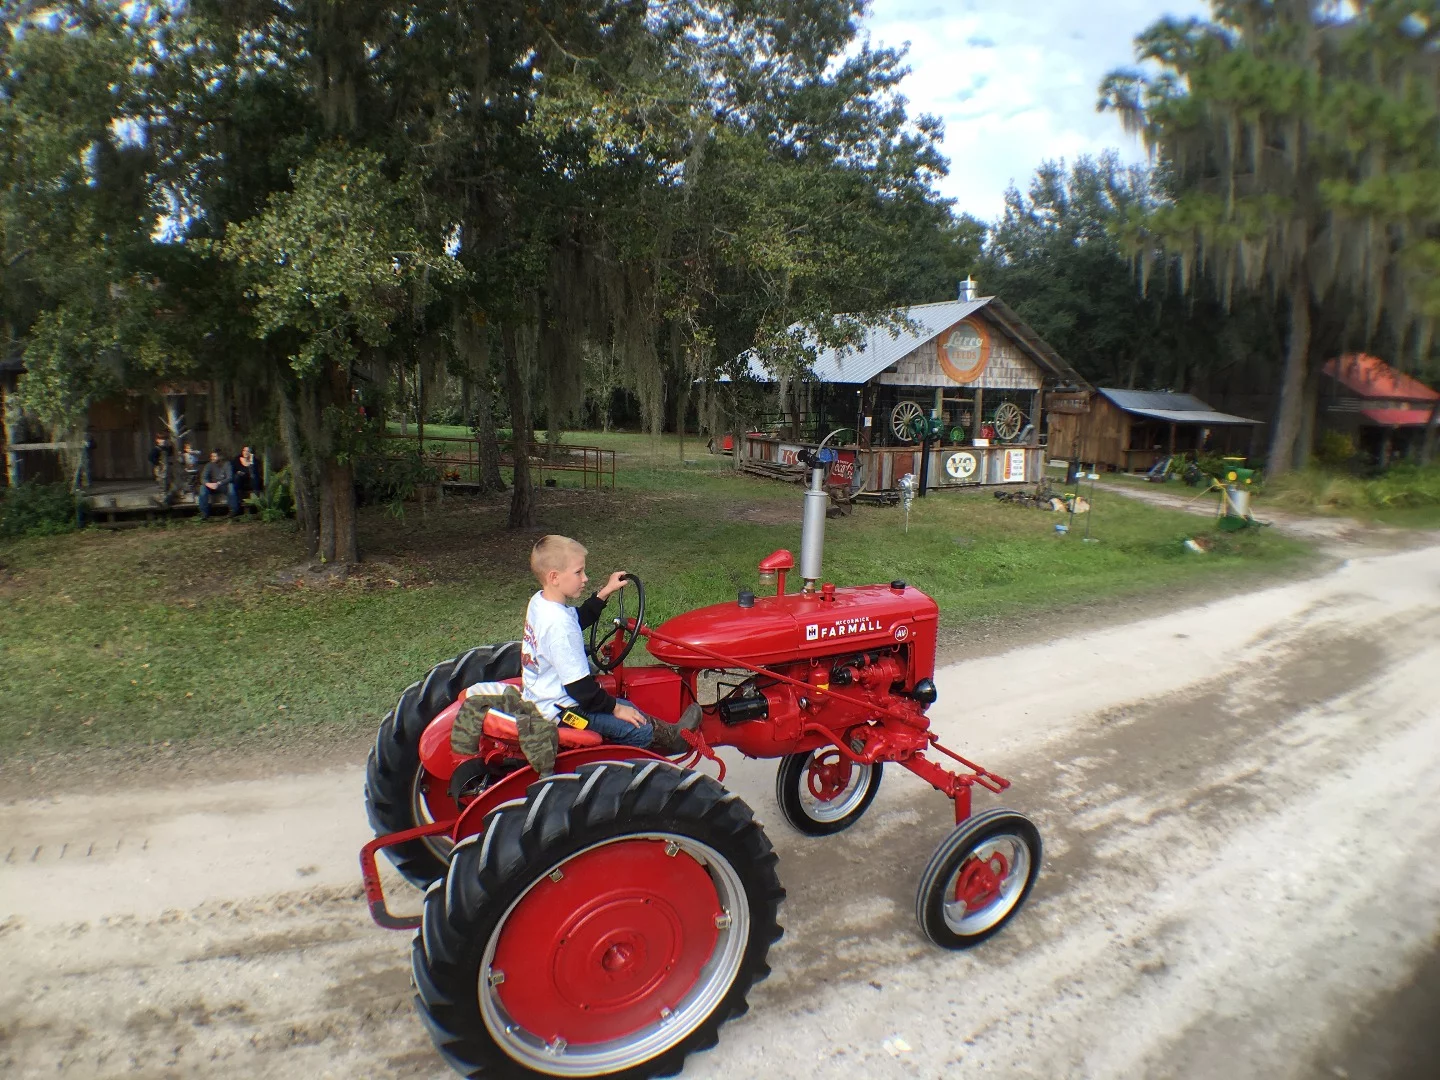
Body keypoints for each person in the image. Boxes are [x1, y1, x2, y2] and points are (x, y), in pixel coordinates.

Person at [521, 535, 699, 753]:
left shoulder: (540, 603)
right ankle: (672, 742)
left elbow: (578, 618)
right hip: (563, 711)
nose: (585, 578)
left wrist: (605, 592)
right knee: (635, 722)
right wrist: (615, 708)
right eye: (578, 572)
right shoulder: (559, 627)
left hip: (541, 698)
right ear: (554, 577)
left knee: (621, 707)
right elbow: (581, 690)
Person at [197, 448, 239, 518]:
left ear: (220, 457)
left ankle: (233, 511)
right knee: (202, 488)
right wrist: (208, 484)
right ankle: (204, 513)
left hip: (223, 486)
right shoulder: (209, 465)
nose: (212, 458)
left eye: (214, 456)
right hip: (212, 487)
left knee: (231, 486)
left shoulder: (227, 464)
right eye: (211, 456)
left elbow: (230, 477)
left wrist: (219, 483)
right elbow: (203, 478)